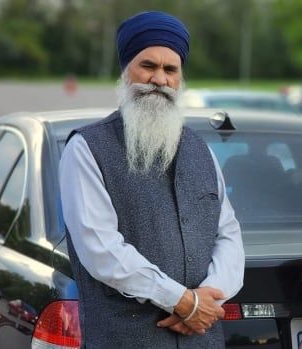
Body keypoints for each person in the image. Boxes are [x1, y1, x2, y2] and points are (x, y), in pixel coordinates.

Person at [59, 11, 244, 349]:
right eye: (148, 66)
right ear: (126, 71)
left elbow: (228, 233)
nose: (159, 79)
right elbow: (100, 248)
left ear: (180, 78)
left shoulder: (201, 149)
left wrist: (208, 298)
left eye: (170, 69)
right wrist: (181, 301)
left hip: (201, 339)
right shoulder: (86, 148)